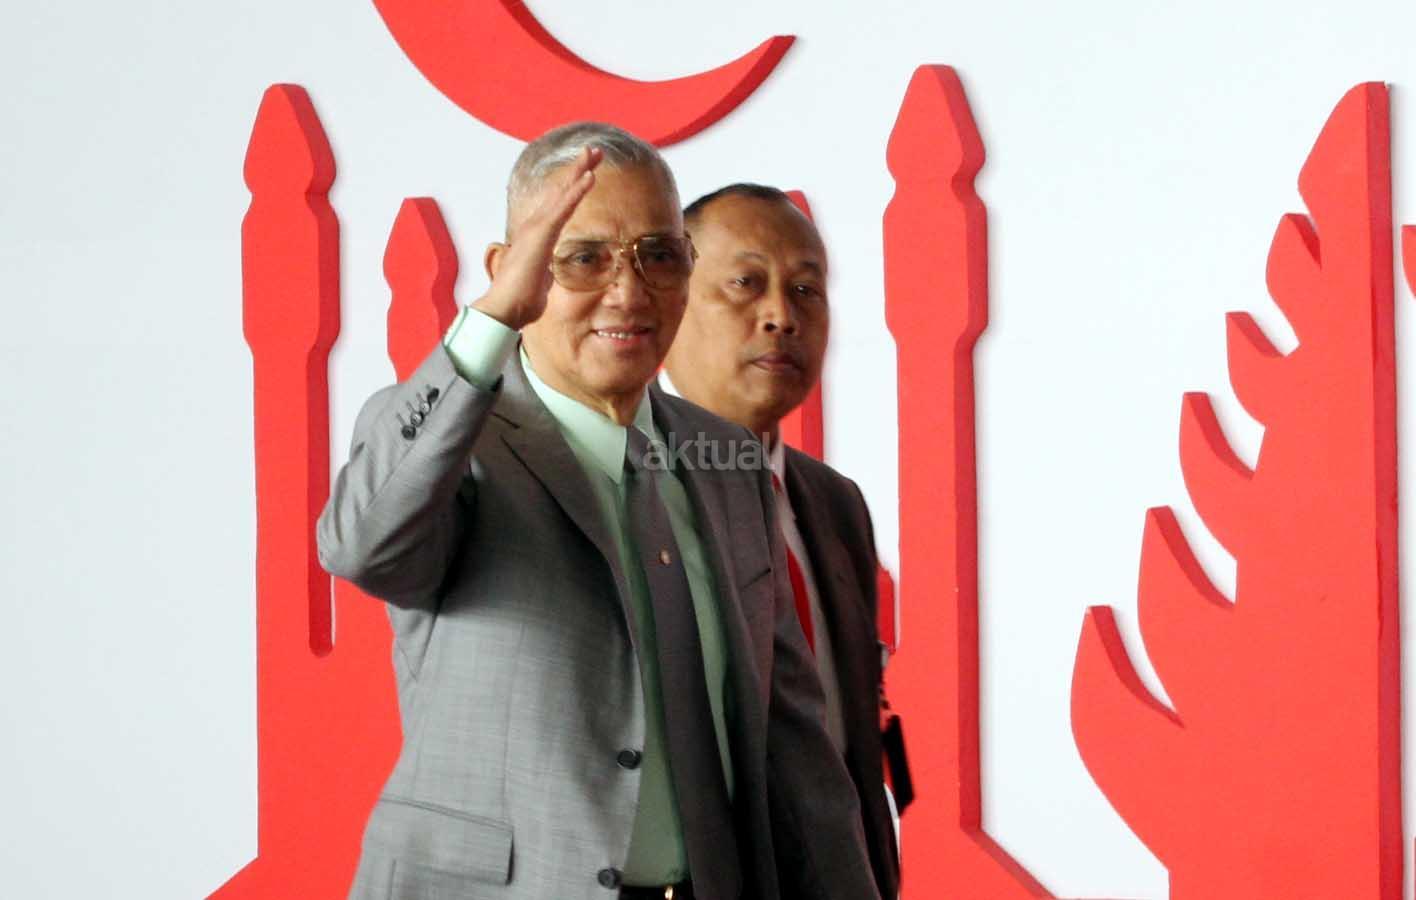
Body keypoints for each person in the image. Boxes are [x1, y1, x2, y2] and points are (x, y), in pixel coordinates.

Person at [317, 124, 879, 900]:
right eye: (584, 259)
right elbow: (360, 547)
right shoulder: (456, 440)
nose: (628, 291)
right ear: (510, 270)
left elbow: (795, 750)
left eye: (658, 255)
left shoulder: (728, 463)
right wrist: (491, 323)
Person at [662, 184, 901, 899]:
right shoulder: (626, 488)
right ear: (671, 300)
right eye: (746, 283)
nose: (781, 316)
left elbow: (858, 731)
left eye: (806, 290)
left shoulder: (835, 503)